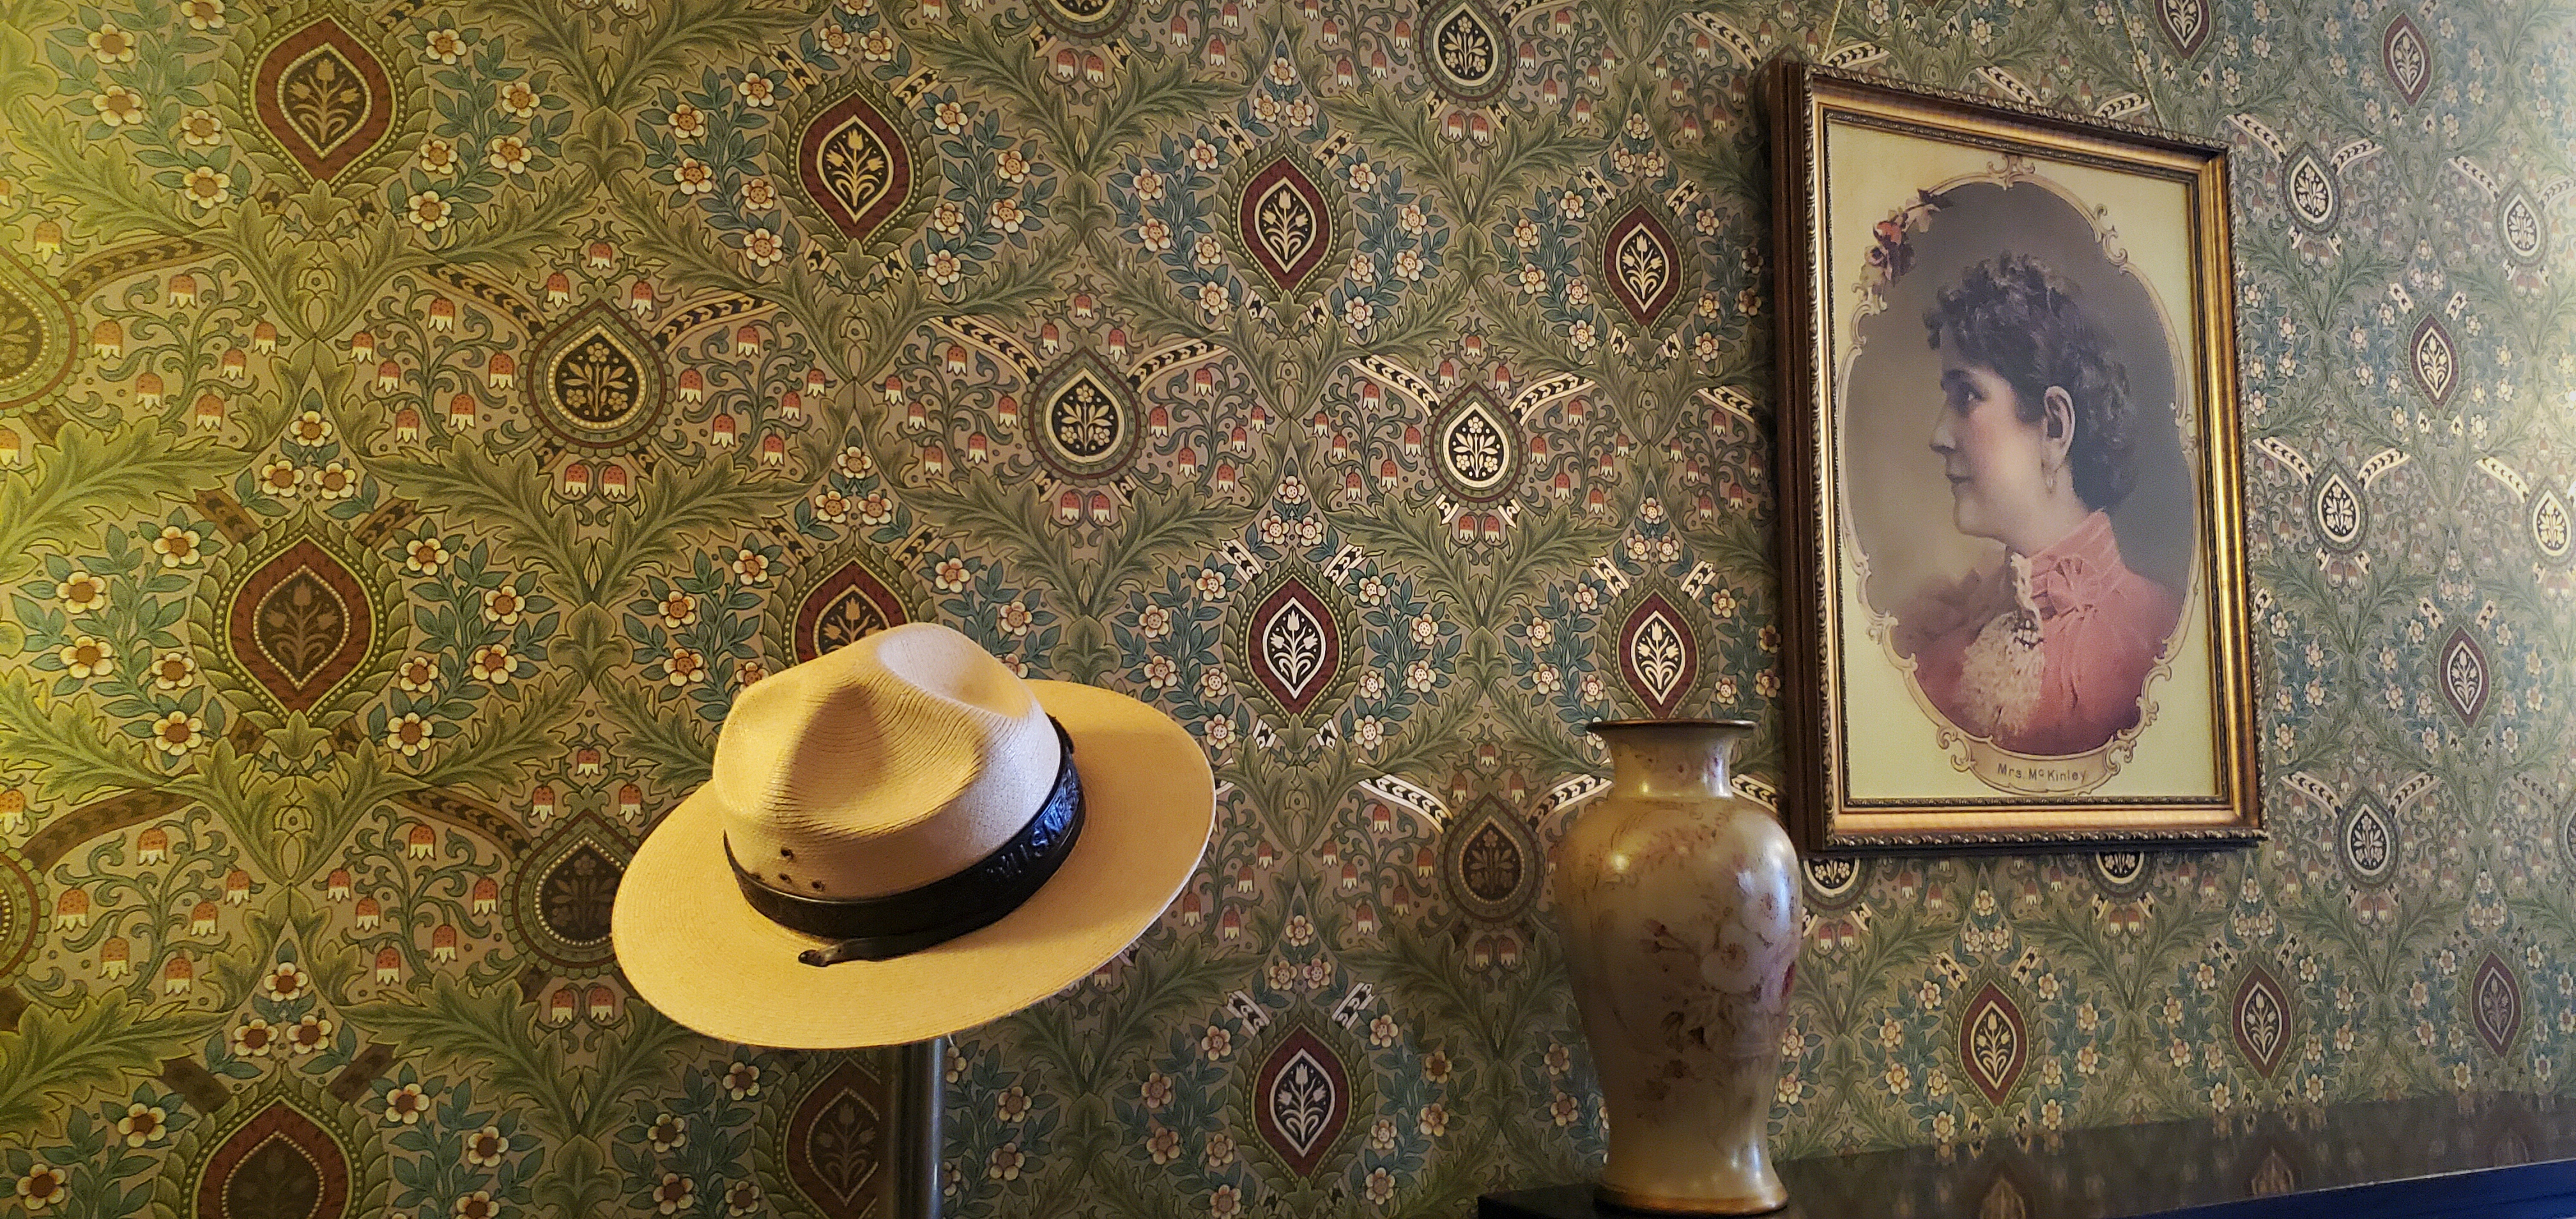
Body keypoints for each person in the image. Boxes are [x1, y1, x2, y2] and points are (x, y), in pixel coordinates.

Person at [1890, 254, 2181, 756]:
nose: (1939, 435)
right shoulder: (1938, 658)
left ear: (2053, 427)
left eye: (1967, 397)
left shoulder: (2165, 640)